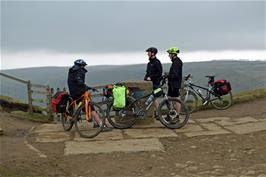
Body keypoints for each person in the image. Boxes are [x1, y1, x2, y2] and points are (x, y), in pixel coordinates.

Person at [67, 59, 112, 130]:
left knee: (86, 108)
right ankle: (101, 125)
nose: (84, 67)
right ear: (82, 65)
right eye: (84, 65)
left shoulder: (72, 71)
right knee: (91, 107)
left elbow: (75, 82)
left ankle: (96, 123)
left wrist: (85, 87)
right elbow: (79, 82)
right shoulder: (80, 71)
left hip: (73, 93)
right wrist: (87, 87)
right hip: (80, 92)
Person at [164, 47, 183, 123]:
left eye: (169, 54)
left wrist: (167, 76)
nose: (169, 55)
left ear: (173, 54)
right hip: (173, 84)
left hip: (174, 84)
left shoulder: (176, 63)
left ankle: (177, 116)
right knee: (170, 99)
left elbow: (175, 75)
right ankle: (171, 115)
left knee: (176, 99)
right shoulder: (176, 61)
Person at [144, 47, 163, 117]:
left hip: (156, 84)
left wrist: (151, 77)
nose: (147, 54)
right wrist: (145, 78)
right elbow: (147, 73)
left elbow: (159, 73)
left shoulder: (157, 62)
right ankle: (157, 113)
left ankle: (158, 113)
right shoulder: (149, 63)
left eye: (148, 52)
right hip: (150, 84)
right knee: (152, 99)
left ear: (153, 53)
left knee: (153, 98)